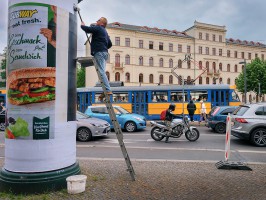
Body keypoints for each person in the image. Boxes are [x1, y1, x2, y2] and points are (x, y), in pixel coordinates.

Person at [80, 17, 112, 100]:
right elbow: (110, 44)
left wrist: (82, 25)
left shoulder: (98, 28)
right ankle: (105, 89)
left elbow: (87, 29)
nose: (96, 21)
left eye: (98, 20)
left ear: (102, 23)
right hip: (105, 53)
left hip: (99, 52)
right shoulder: (105, 32)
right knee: (102, 72)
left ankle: (108, 90)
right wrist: (103, 45)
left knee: (101, 72)